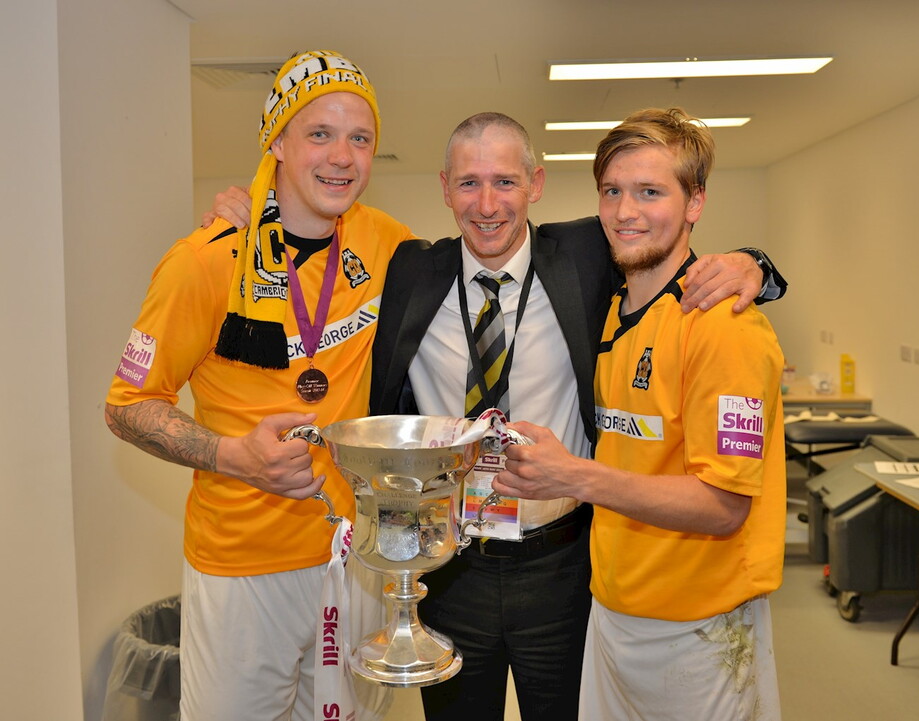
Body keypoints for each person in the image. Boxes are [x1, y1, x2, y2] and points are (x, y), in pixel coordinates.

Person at [205, 114, 786, 720]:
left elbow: (668, 247)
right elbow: (319, 237)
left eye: (505, 182)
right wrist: (251, 213)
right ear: (445, 188)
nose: (487, 205)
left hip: (564, 565)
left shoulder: (589, 256)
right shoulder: (408, 270)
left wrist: (755, 266)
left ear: (535, 184)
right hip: (450, 566)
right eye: (469, 183)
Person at [104, 50, 415, 720]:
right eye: (320, 134)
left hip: (353, 557)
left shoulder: (389, 244)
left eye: (360, 138)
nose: (342, 157)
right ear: (276, 141)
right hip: (241, 565)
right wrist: (233, 455)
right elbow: (127, 406)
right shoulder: (204, 262)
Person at [494, 107, 786, 721]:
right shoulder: (610, 308)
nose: (626, 212)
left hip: (700, 627)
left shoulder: (726, 329)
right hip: (612, 612)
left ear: (695, 201)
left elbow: (724, 505)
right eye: (612, 191)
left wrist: (572, 475)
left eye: (650, 192)